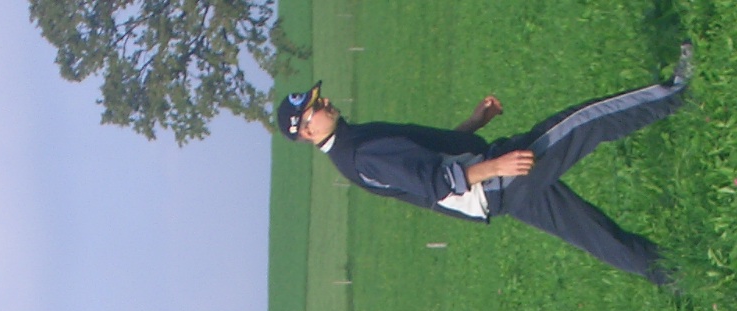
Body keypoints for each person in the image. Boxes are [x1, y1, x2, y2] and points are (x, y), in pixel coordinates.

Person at [276, 44, 694, 285]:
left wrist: (475, 123)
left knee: (594, 234)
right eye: (316, 107)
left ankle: (675, 275)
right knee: (584, 122)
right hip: (497, 181)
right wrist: (498, 167)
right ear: (307, 132)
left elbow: (432, 158)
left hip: (496, 189)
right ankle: (680, 92)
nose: (325, 102)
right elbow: (437, 182)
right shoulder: (358, 153)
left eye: (319, 98)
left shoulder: (354, 141)